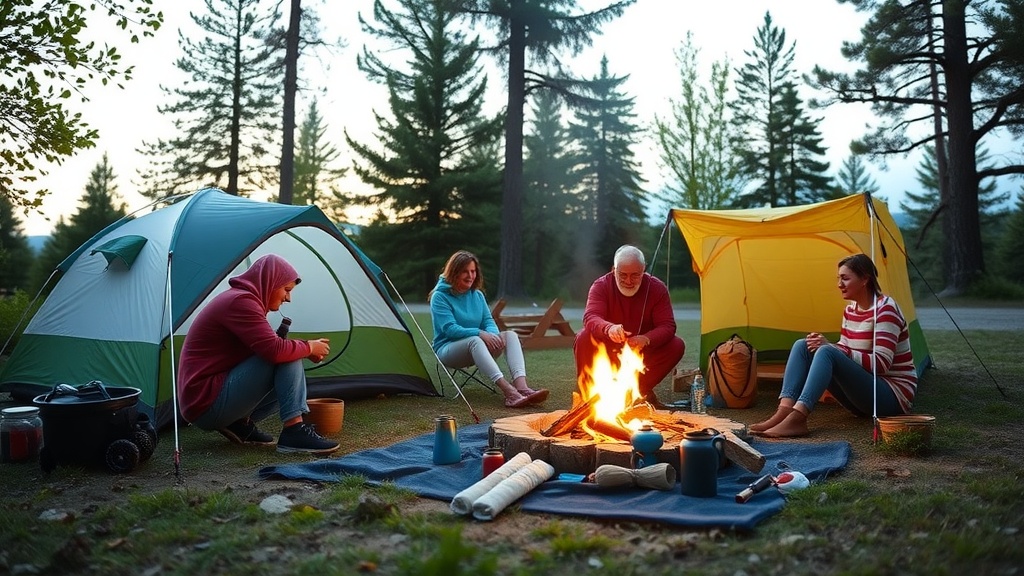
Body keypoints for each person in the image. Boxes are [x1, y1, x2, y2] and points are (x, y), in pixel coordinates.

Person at [177, 254, 340, 454]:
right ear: (270, 282)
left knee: (285, 352)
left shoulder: (242, 300)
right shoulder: (240, 302)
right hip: (206, 403)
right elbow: (275, 351)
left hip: (206, 400)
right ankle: (294, 431)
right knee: (286, 354)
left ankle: (238, 424)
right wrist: (309, 347)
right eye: (286, 290)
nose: (288, 298)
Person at [750, 253, 918, 438]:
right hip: (861, 398)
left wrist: (834, 348)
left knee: (827, 351)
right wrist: (834, 348)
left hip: (890, 398)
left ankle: (798, 418)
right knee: (803, 345)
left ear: (864, 279)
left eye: (845, 278)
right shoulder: (850, 310)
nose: (839, 284)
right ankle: (784, 411)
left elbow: (881, 364)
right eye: (839, 278)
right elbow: (845, 350)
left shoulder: (885, 310)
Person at [429, 250, 549, 408]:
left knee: (510, 335)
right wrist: (480, 333)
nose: (470, 276)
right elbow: (450, 329)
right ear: (454, 272)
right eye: (465, 271)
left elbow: (488, 320)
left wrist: (493, 335)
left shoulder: (477, 295)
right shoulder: (440, 297)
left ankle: (522, 387)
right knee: (475, 340)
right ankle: (509, 393)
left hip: (478, 346)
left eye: (473, 271)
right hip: (448, 350)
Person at [574, 245, 685, 408]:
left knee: (676, 345)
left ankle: (636, 393)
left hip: (641, 354)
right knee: (583, 337)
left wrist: (646, 339)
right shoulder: (601, 286)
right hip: (607, 349)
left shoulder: (657, 288)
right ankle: (589, 398)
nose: (628, 281)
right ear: (614, 269)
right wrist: (609, 329)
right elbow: (591, 317)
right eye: (623, 275)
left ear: (644, 270)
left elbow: (667, 326)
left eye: (635, 275)